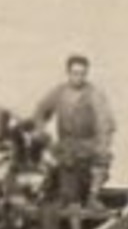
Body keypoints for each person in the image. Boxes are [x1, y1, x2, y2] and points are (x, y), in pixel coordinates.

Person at [33, 54, 116, 208]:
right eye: (75, 73)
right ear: (68, 73)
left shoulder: (94, 94)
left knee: (103, 159)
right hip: (65, 146)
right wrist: (41, 131)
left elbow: (105, 123)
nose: (78, 77)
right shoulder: (59, 92)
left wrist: (101, 147)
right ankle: (50, 193)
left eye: (82, 73)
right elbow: (40, 111)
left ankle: (93, 196)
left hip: (88, 145)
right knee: (45, 163)